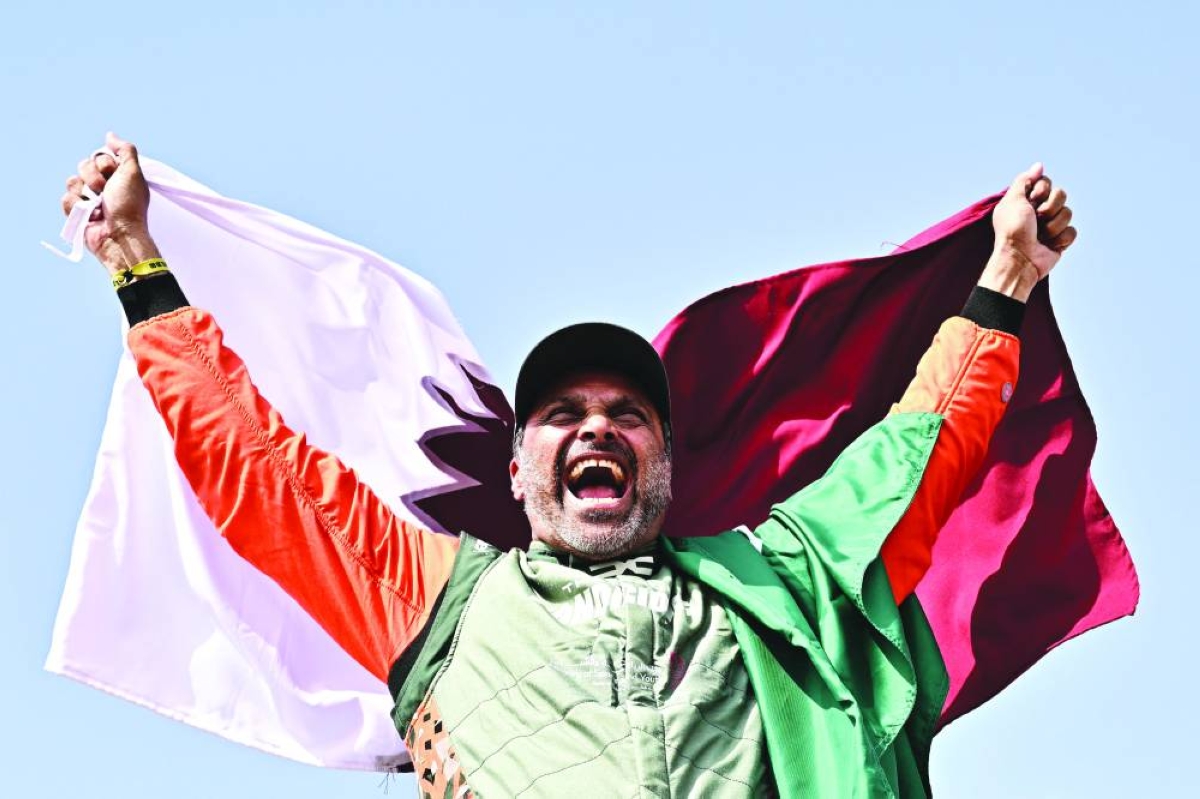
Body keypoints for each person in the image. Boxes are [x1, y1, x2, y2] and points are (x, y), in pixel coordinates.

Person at [61, 133, 1076, 798]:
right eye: (562, 415)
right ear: (515, 472)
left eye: (628, 415)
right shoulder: (434, 598)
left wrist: (1006, 279)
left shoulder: (782, 581)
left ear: (665, 466)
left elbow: (912, 455)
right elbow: (258, 468)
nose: (597, 429)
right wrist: (135, 261)